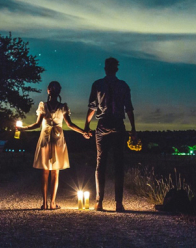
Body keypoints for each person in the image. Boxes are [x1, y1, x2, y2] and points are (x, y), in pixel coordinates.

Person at [16, 81, 90, 210]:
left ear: (48, 91)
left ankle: (45, 203)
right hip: (57, 139)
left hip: (45, 138)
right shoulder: (63, 106)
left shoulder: (43, 105)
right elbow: (70, 125)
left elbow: (37, 125)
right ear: (59, 92)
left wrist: (23, 128)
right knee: (55, 172)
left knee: (45, 172)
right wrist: (83, 132)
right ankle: (52, 203)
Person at [84, 57, 136, 212]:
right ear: (117, 69)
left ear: (105, 69)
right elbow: (129, 109)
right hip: (118, 124)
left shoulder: (97, 84)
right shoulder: (123, 86)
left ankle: (99, 202)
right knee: (118, 163)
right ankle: (118, 203)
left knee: (101, 162)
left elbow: (92, 108)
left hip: (103, 124)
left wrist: (86, 126)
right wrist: (133, 129)